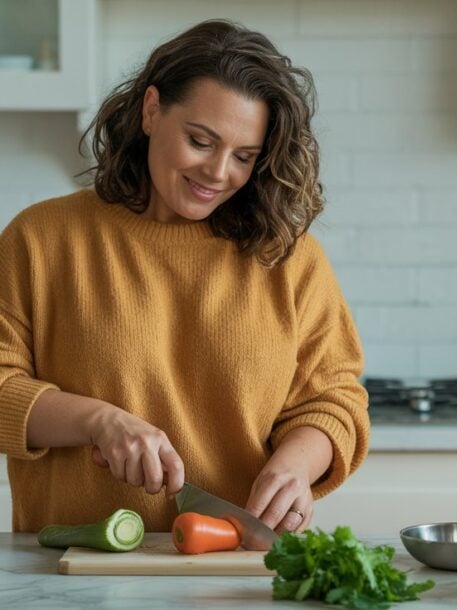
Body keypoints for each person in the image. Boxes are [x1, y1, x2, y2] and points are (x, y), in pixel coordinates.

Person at [0, 19, 369, 538]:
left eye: (244, 157)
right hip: (73, 571)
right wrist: (98, 422)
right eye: (201, 141)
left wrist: (296, 466)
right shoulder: (41, 239)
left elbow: (333, 398)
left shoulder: (289, 259)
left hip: (240, 570)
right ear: (152, 111)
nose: (219, 173)